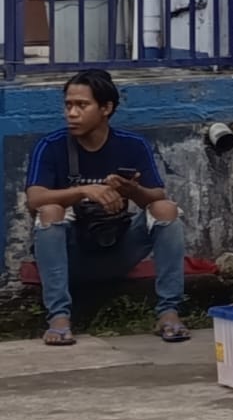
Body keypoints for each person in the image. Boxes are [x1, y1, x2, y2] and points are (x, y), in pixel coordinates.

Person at [24, 71, 188, 345]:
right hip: (69, 255)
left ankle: (168, 312)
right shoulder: (51, 146)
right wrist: (84, 191)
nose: (71, 114)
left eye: (81, 105)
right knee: (50, 210)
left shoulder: (132, 145)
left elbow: (156, 195)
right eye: (68, 105)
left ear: (106, 108)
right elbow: (34, 199)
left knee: (165, 208)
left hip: (119, 249)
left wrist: (132, 190)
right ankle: (59, 317)